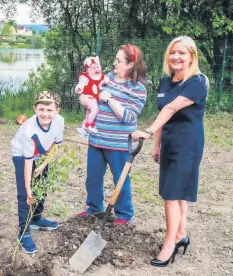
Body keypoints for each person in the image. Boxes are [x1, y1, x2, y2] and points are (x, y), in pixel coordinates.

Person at [132, 36, 208, 267]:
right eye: (173, 52)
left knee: (171, 196)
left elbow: (173, 107)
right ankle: (181, 234)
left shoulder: (197, 81)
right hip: (169, 142)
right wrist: (157, 143)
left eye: (182, 53)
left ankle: (169, 244)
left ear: (192, 56)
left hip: (188, 144)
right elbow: (165, 110)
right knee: (177, 193)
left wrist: (148, 130)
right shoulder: (167, 80)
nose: (176, 56)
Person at [76, 44, 147, 225]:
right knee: (93, 178)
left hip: (119, 143)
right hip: (97, 139)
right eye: (115, 59)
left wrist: (108, 98)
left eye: (118, 60)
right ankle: (93, 209)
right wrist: (85, 99)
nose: (114, 63)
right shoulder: (106, 78)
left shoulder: (137, 88)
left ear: (130, 65)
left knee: (120, 179)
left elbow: (128, 116)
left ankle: (123, 214)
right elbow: (89, 93)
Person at [11, 91, 64, 254]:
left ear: (57, 110)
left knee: (42, 185)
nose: (45, 114)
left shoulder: (59, 122)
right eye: (41, 109)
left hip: (43, 154)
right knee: (25, 194)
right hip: (22, 155)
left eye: (49, 110)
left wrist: (43, 164)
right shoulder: (28, 130)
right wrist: (27, 188)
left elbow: (55, 146)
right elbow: (28, 162)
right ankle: (24, 231)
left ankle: (36, 219)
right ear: (35, 109)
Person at [75, 56, 108, 135]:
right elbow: (81, 83)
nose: (96, 69)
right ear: (88, 70)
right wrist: (79, 88)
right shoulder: (86, 77)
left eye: (98, 67)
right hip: (88, 97)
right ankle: (90, 125)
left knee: (89, 114)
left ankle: (83, 127)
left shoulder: (101, 77)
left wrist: (107, 81)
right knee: (95, 109)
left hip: (93, 99)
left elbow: (107, 80)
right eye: (93, 68)